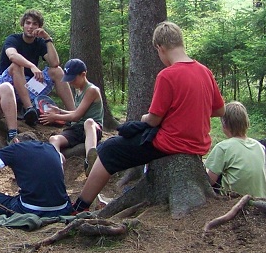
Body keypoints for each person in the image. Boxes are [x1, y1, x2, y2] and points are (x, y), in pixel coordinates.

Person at [72, 21, 225, 212]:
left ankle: (80, 206)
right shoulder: (205, 71)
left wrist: (144, 118)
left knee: (110, 150)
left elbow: (154, 119)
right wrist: (192, 110)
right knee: (119, 143)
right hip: (198, 143)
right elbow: (220, 110)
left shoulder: (167, 75)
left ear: (160, 48)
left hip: (172, 142)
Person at [0, 9, 75, 126]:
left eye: (34, 24)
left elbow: (54, 63)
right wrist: (31, 66)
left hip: (28, 87)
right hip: (6, 85)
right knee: (17, 65)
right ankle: (29, 109)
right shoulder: (13, 39)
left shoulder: (39, 43)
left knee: (57, 71)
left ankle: (74, 116)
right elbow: (12, 56)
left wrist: (47, 38)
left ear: (39, 27)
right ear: (23, 25)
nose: (30, 27)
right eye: (28, 23)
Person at [0, 133, 73, 217]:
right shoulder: (51, 148)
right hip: (63, 208)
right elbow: (62, 159)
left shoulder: (16, 148)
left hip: (29, 210)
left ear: (16, 141)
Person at [42, 59, 104, 176]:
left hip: (92, 128)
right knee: (54, 139)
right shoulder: (78, 90)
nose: (70, 83)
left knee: (88, 122)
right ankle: (56, 161)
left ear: (83, 74)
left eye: (73, 79)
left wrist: (55, 116)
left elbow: (76, 116)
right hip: (77, 129)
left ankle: (90, 159)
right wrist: (59, 111)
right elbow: (76, 112)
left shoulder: (91, 90)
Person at [204, 101, 266, 198]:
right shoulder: (259, 146)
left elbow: (210, 181)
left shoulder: (223, 147)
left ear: (224, 124)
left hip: (234, 198)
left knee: (215, 175)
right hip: (262, 197)